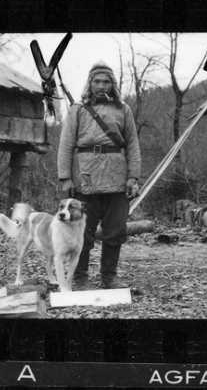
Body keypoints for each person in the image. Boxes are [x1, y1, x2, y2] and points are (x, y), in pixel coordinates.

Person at [57, 61, 141, 290]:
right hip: (86, 177)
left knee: (116, 230)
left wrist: (133, 176)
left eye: (106, 81)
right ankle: (80, 277)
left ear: (112, 85)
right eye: (97, 81)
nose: (101, 85)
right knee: (83, 231)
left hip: (117, 177)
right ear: (90, 83)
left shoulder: (123, 110)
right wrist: (65, 178)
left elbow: (132, 145)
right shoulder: (78, 109)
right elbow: (65, 145)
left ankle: (109, 277)